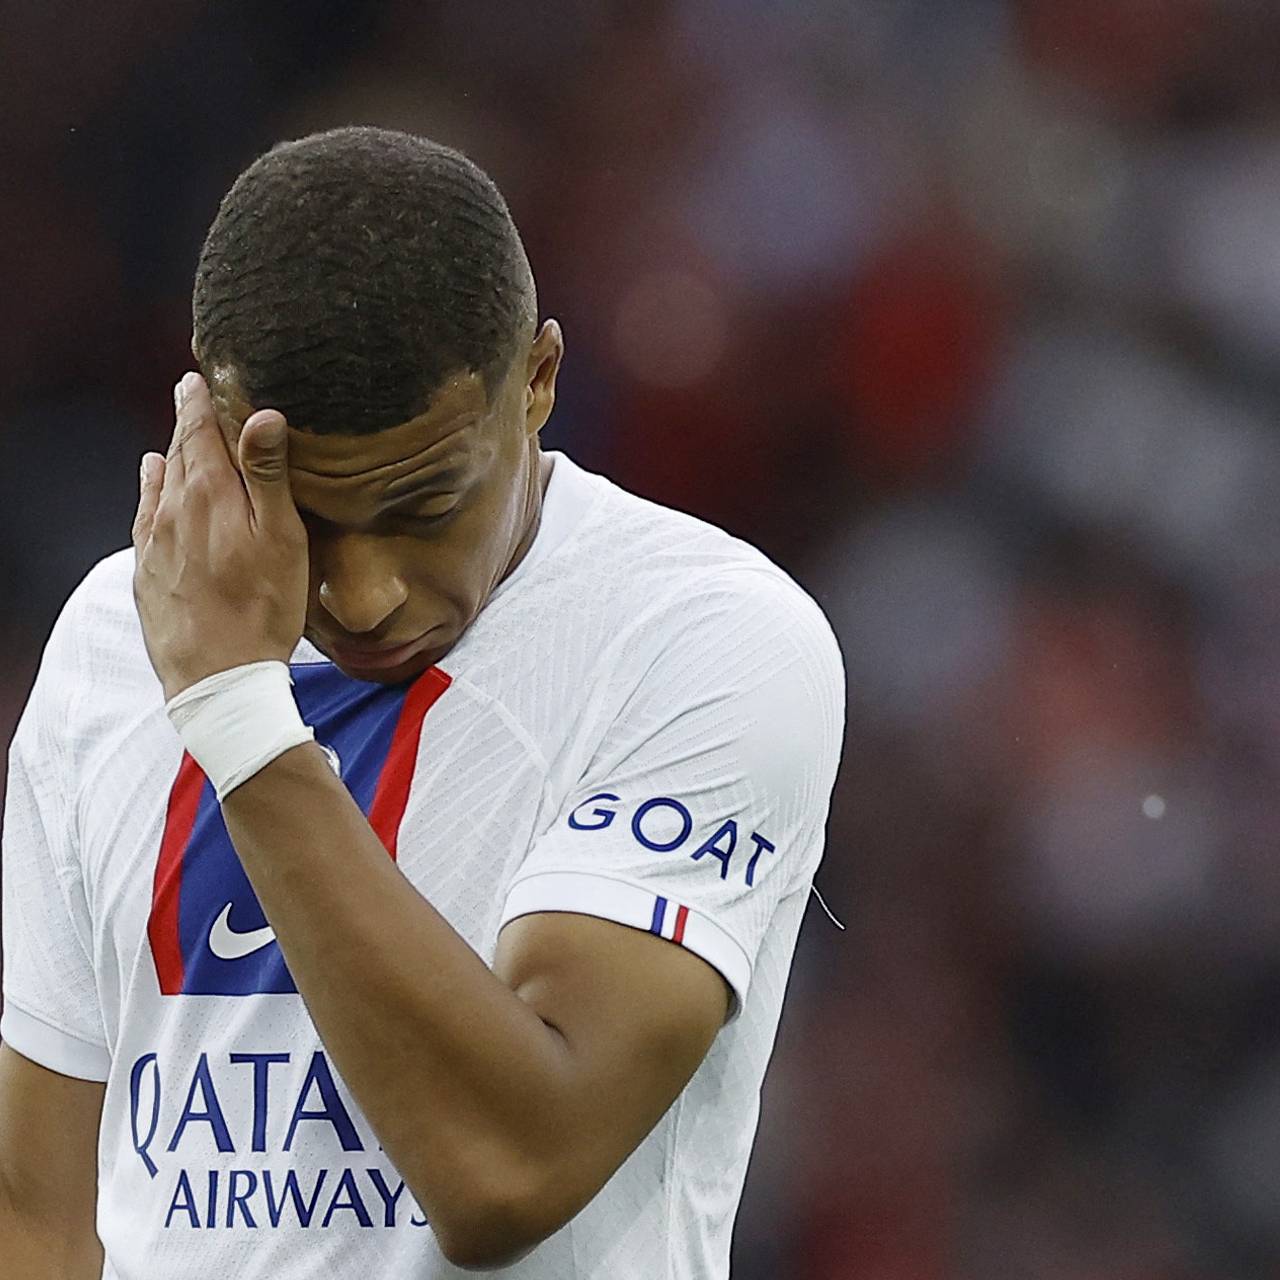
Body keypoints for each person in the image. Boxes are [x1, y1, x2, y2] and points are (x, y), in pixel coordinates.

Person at [0, 126, 844, 1279]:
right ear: (206, 421)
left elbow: (505, 1170)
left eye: (424, 507)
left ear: (537, 381)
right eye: (309, 516)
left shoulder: (701, 638)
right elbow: (43, 1217)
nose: (366, 595)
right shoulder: (114, 636)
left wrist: (238, 711)